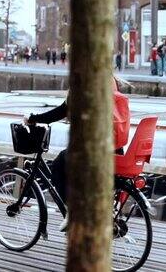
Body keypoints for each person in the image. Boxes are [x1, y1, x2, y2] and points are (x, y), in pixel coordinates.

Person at [25, 77, 129, 231]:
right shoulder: (110, 79)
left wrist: (33, 119)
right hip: (116, 149)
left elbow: (62, 111)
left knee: (59, 165)